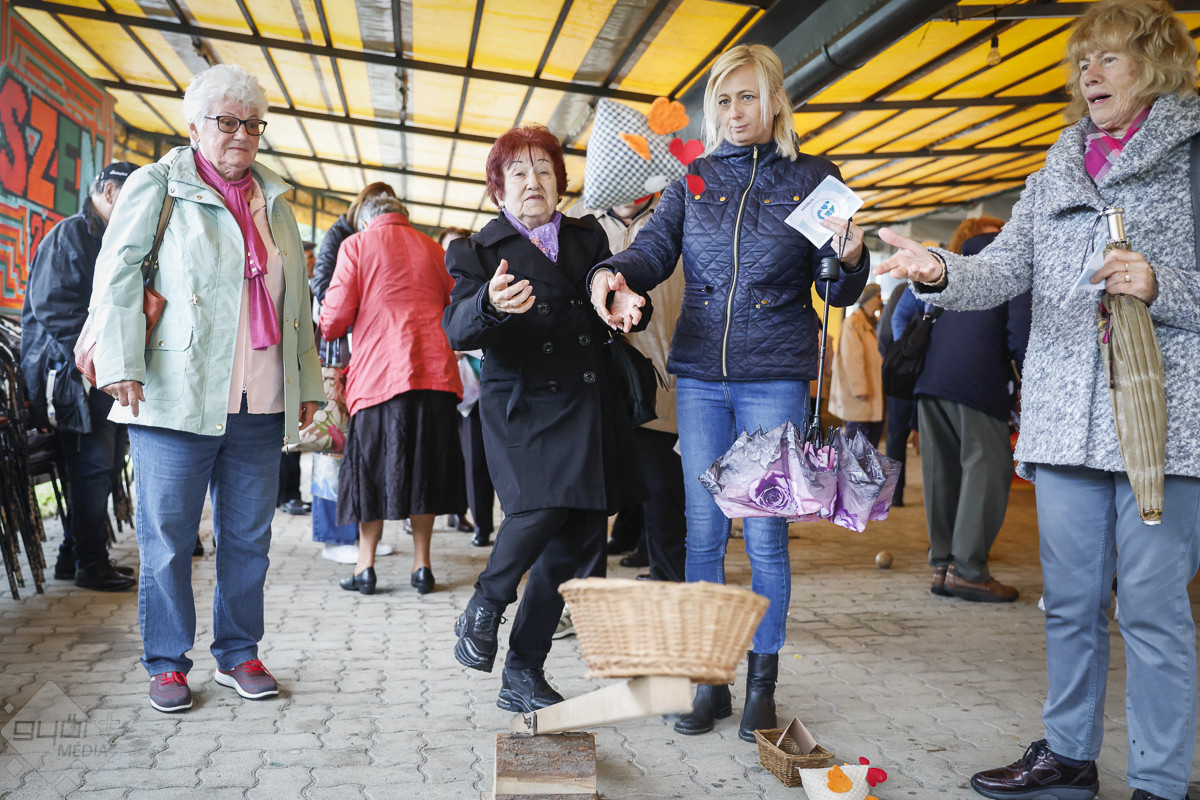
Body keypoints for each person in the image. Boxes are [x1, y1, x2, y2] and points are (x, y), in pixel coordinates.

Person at [877, 2, 1200, 798]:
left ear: (1156, 64)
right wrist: (939, 270)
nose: (1089, 73)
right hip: (1062, 422)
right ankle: (1068, 757)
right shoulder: (1057, 165)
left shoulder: (1193, 159)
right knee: (1071, 604)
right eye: (1083, 60)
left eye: (1109, 57)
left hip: (1160, 425)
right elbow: (1002, 270)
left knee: (1152, 610)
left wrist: (1162, 283)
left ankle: (1160, 781)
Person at [588, 43, 870, 741]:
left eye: (748, 97)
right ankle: (707, 680)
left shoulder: (816, 178)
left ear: (775, 101)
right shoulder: (693, 180)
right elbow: (652, 251)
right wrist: (611, 273)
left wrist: (851, 257)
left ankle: (761, 687)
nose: (736, 111)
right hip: (700, 379)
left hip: (774, 376)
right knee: (704, 533)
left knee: (766, 537)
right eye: (723, 100)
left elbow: (836, 288)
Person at [89, 64, 324, 713]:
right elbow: (117, 274)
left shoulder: (275, 201)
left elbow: (297, 301)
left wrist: (305, 381)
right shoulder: (158, 184)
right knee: (167, 539)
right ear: (194, 126)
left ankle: (239, 653)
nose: (241, 134)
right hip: (176, 394)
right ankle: (167, 662)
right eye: (227, 122)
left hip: (261, 399)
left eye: (252, 124)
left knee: (249, 540)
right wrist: (120, 361)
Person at [445, 124, 648, 713]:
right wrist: (488, 305)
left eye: (543, 170)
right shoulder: (477, 251)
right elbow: (456, 328)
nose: (532, 181)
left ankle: (523, 672)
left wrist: (627, 304)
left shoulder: (589, 238)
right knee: (538, 510)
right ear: (498, 189)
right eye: (517, 172)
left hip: (587, 405)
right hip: (523, 407)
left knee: (576, 544)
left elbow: (614, 295)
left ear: (560, 182)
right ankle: (486, 603)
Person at [319, 196, 465, 596]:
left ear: (368, 221)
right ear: (404, 217)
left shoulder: (357, 245)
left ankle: (365, 567)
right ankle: (422, 567)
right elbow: (455, 306)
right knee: (424, 470)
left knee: (370, 472)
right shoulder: (435, 249)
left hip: (379, 375)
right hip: (435, 374)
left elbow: (333, 320)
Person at [891, 223, 1031, 603]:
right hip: (977, 382)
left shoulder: (953, 266)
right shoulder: (1011, 266)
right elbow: (1021, 335)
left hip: (930, 382)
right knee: (987, 470)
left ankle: (942, 566)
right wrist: (1029, 384)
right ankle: (968, 572)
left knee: (942, 473)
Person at [20, 161, 140, 592]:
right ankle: (91, 562)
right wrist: (102, 357)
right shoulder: (70, 235)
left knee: (105, 464)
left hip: (104, 371)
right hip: (71, 375)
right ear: (108, 193)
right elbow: (53, 308)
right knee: (92, 466)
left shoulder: (112, 237)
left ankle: (72, 557)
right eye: (132, 196)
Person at [568, 194, 687, 583]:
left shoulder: (676, 214)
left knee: (662, 485)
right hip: (591, 379)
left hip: (660, 376)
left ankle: (668, 577)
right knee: (589, 487)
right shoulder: (575, 217)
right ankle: (583, 588)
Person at [439, 225, 495, 547]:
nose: (453, 256)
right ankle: (479, 524)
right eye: (447, 249)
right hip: (457, 389)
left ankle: (491, 523)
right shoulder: (436, 285)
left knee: (491, 458)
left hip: (488, 381)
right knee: (470, 459)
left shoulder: (481, 281)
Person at [277, 243, 317, 517]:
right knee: (287, 440)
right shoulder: (290, 284)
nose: (312, 261)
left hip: (298, 366)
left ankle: (289, 495)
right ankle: (287, 495)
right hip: (285, 367)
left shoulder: (308, 288)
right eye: (308, 256)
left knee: (293, 438)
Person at [828, 282, 884, 447]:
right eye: (878, 296)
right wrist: (860, 389)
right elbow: (852, 359)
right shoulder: (853, 323)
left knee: (868, 439)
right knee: (854, 439)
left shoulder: (869, 323)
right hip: (859, 393)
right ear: (869, 298)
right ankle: (847, 465)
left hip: (870, 391)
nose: (880, 301)